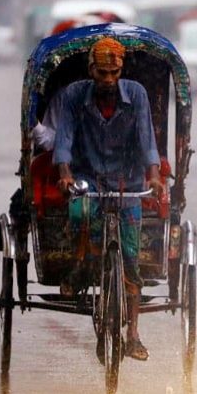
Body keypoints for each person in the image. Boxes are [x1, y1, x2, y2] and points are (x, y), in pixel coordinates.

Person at [53, 37, 163, 361]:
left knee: (130, 254)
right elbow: (64, 138)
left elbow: (147, 140)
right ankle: (78, 266)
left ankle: (133, 335)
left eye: (114, 73)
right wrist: (65, 173)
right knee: (78, 212)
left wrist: (154, 176)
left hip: (127, 180)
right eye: (102, 73)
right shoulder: (75, 95)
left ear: (121, 70)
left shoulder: (137, 95)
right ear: (91, 70)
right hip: (88, 177)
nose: (108, 81)